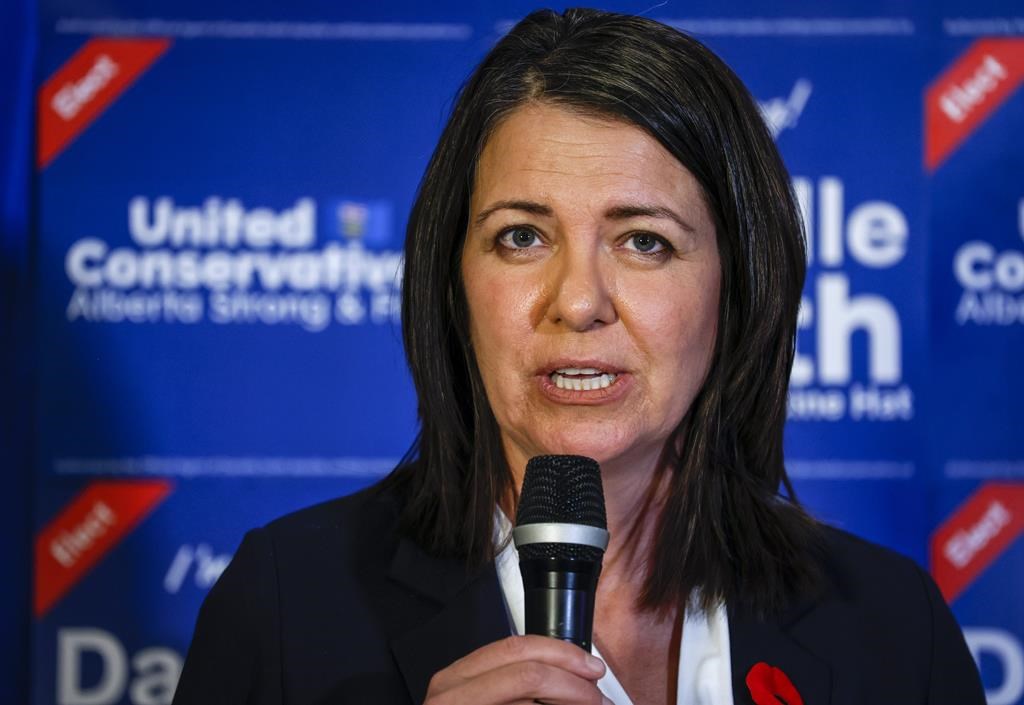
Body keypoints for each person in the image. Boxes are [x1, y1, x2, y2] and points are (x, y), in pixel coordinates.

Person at [172, 8, 985, 705]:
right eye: (521, 236)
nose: (578, 299)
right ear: (454, 282)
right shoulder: (284, 605)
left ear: (738, 287)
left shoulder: (893, 627)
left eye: (644, 241)